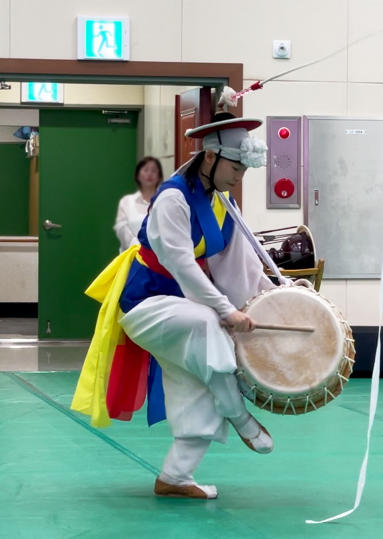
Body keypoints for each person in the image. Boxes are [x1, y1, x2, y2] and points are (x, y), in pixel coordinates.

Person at [72, 113, 281, 500]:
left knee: (197, 382)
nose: (239, 177)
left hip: (183, 308)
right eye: (235, 168)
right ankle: (240, 415)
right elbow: (183, 267)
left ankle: (175, 476)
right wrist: (226, 311)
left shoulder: (223, 203)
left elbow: (243, 265)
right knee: (208, 324)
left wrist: (279, 297)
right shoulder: (172, 199)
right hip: (146, 304)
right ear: (209, 158)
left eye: (243, 170)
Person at [114, 157, 163, 251]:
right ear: (137, 175)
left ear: (159, 177)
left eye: (153, 171)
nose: (149, 174)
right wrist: (138, 248)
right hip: (131, 256)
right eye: (145, 170)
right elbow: (121, 228)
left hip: (158, 259)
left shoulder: (164, 201)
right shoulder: (126, 201)